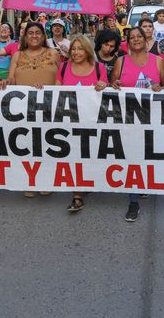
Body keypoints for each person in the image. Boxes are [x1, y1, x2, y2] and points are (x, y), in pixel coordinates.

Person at [111, 26, 164, 222]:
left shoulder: (158, 61)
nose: (136, 39)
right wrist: (115, 85)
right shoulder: (121, 61)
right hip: (128, 120)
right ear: (127, 41)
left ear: (146, 40)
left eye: (139, 36)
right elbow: (113, 86)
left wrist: (160, 88)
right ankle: (133, 200)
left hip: (152, 119)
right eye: (132, 37)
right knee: (132, 159)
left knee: (147, 155)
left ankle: (143, 185)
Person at [3, 22, 60, 198]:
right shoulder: (18, 55)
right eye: (30, 33)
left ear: (43, 36)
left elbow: (60, 78)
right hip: (23, 108)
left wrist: (49, 89)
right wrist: (7, 82)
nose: (34, 36)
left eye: (38, 33)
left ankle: (46, 180)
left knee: (47, 145)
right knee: (27, 145)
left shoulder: (53, 53)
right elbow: (12, 78)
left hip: (48, 106)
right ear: (25, 37)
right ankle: (30, 181)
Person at [58, 36, 109, 213]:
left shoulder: (99, 68)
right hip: (69, 123)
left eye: (80, 48)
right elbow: (54, 91)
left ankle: (91, 181)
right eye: (73, 48)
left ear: (87, 50)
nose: (76, 52)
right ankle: (77, 195)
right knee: (75, 158)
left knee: (91, 156)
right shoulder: (63, 67)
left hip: (93, 123)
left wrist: (104, 85)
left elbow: (107, 90)